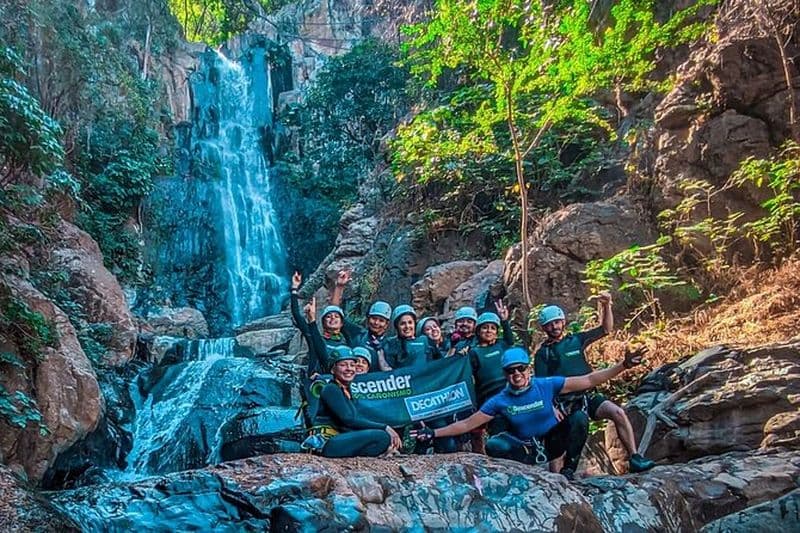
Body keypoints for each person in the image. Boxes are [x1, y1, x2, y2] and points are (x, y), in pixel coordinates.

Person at [412, 346, 647, 480]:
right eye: (511, 371)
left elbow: (588, 379)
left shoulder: (546, 385)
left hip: (552, 441)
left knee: (579, 418)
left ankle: (568, 469)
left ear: (528, 369)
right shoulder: (499, 400)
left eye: (521, 369)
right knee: (495, 444)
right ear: (505, 374)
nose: (516, 374)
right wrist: (433, 433)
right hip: (527, 448)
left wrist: (622, 366)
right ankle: (522, 475)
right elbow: (466, 425)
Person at [534, 294, 655, 474]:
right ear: (544, 327)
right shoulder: (543, 353)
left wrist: (607, 306)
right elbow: (541, 385)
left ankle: (635, 457)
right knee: (559, 445)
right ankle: (559, 481)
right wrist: (551, 408)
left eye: (557, 322)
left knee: (618, 413)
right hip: (564, 403)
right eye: (550, 324)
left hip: (587, 395)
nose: (555, 327)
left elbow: (605, 329)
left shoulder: (575, 340)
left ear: (563, 322)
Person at [304, 345, 402, 457]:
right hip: (327, 442)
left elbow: (354, 420)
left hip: (339, 439)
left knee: (381, 437)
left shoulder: (346, 390)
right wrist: (385, 427)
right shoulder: (331, 388)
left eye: (352, 365)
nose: (349, 369)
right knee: (382, 436)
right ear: (332, 369)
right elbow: (349, 419)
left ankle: (383, 452)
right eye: (343, 365)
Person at [465, 311, 516, 453]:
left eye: (492, 328)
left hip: (509, 393)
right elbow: (469, 377)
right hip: (489, 397)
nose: (489, 331)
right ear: (478, 331)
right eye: (485, 327)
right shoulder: (473, 352)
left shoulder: (501, 345)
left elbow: (510, 340)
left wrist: (505, 321)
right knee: (497, 429)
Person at [330, 270, 393, 371]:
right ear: (368, 319)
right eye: (374, 318)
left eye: (381, 320)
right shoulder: (357, 333)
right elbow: (334, 313)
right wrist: (339, 287)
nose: (376, 323)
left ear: (387, 324)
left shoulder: (391, 344)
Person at [383, 305, 437, 369]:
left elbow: (442, 364)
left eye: (410, 322)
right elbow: (388, 371)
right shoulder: (390, 344)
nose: (407, 326)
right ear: (396, 327)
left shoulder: (425, 341)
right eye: (402, 323)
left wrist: (452, 348)